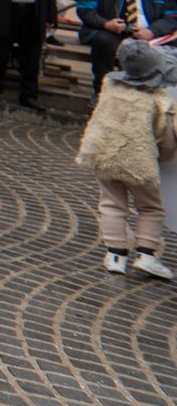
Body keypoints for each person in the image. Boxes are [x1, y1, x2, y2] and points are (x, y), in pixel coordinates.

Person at [75, 38, 177, 280]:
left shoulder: (109, 86)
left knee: (111, 205)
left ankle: (115, 256)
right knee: (151, 207)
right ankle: (146, 255)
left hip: (105, 155)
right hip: (139, 161)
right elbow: (166, 135)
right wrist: (167, 155)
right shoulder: (158, 98)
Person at [76, 0, 177, 93]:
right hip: (113, 33)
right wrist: (106, 24)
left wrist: (152, 31)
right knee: (104, 41)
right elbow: (84, 9)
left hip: (149, 35)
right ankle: (101, 90)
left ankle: (162, 91)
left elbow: (172, 15)